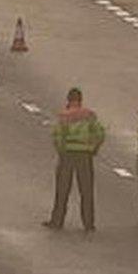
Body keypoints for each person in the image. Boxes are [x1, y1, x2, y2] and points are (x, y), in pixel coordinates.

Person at [42, 87, 106, 232]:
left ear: (68, 100)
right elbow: (100, 133)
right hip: (85, 155)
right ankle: (89, 223)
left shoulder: (64, 116)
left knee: (63, 189)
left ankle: (57, 221)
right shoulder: (89, 115)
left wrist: (61, 150)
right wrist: (94, 148)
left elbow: (57, 136)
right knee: (86, 190)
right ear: (80, 100)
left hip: (67, 156)